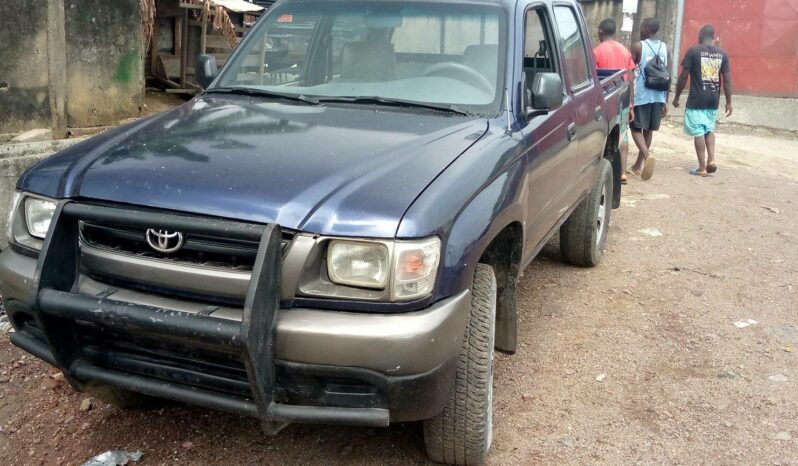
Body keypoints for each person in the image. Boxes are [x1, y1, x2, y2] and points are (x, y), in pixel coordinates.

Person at [672, 24, 732, 177]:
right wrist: (729, 102)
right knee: (709, 129)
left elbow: (684, 76)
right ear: (714, 37)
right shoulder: (722, 54)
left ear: (700, 35)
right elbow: (727, 80)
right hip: (714, 99)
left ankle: (701, 167)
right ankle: (711, 159)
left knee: (698, 131)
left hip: (697, 98)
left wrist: (677, 96)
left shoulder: (693, 51)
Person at [594, 18, 636, 184]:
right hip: (622, 97)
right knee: (623, 135)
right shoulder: (625, 51)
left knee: (605, 134)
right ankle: (623, 173)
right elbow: (631, 79)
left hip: (604, 99)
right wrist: (631, 104)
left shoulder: (596, 51)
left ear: (600, 32)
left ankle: (604, 171)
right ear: (614, 32)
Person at [630, 17, 669, 181]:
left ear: (645, 28)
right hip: (659, 95)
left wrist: (630, 99)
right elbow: (668, 74)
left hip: (642, 94)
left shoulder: (639, 46)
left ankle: (646, 155)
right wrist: (666, 99)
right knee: (649, 129)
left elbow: (630, 72)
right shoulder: (665, 47)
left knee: (635, 127)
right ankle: (638, 166)